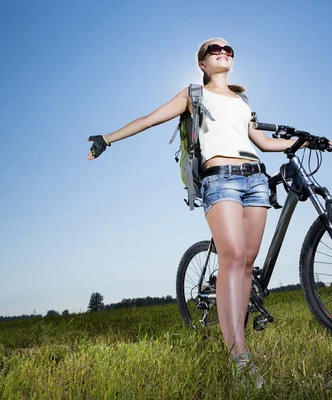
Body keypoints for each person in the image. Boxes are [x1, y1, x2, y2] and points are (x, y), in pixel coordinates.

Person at [87, 38, 302, 387]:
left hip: (256, 181)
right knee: (231, 257)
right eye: (214, 49)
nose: (223, 51)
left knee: (247, 262)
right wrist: (107, 139)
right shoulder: (193, 95)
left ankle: (237, 338)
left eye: (229, 49)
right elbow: (150, 119)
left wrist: (302, 142)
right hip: (220, 181)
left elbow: (262, 142)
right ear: (202, 63)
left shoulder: (242, 102)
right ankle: (240, 358)